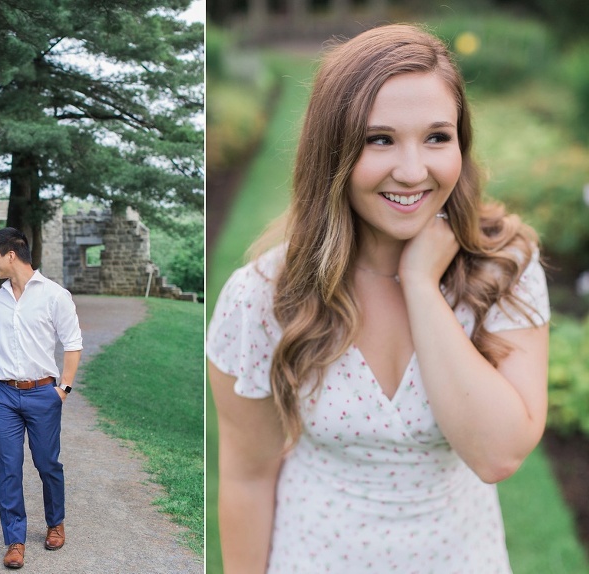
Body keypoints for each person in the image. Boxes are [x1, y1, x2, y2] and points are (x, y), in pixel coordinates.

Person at [207, 23, 550, 574]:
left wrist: (421, 285)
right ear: (332, 151)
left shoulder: (504, 266)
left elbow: (497, 453)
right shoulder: (261, 297)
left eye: (437, 137)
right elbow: (247, 477)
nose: (413, 171)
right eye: (379, 139)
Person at [0, 227, 83, 570]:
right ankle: (14, 540)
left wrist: (63, 390)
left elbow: (73, 343)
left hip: (42, 393)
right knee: (8, 467)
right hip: (3, 393)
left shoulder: (55, 295)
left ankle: (55, 522)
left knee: (47, 463)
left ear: (10, 255)